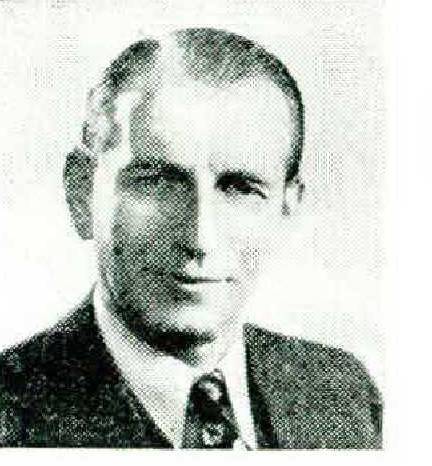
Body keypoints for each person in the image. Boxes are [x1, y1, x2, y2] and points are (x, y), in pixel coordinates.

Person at [0, 28, 382, 449]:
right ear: (82, 193)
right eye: (158, 182)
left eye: (240, 189)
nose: (200, 238)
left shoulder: (343, 396)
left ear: (285, 210)